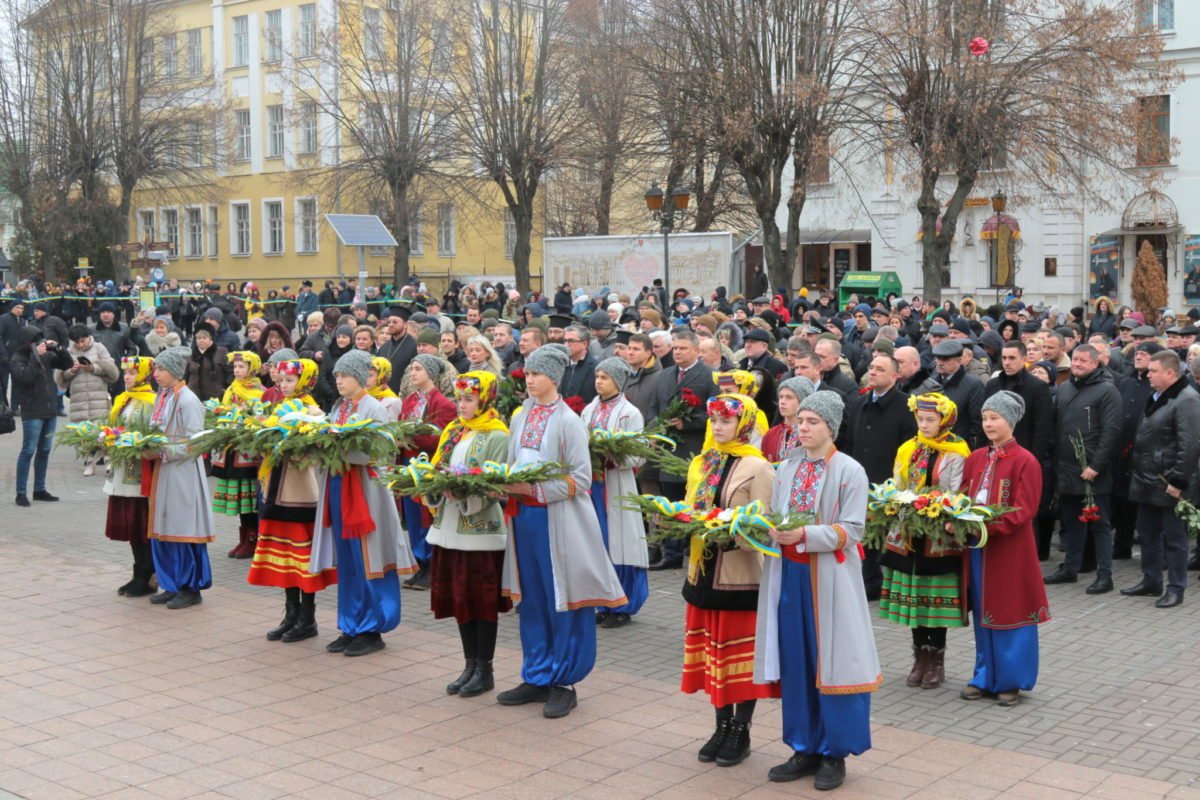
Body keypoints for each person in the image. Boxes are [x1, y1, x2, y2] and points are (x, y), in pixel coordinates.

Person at [757, 391, 880, 791]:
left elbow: (853, 529)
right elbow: (775, 513)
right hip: (790, 576)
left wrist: (805, 534)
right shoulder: (787, 466)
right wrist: (769, 528)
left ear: (832, 427)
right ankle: (803, 745)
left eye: (813, 422)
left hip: (829, 578)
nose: (803, 428)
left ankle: (834, 752)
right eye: (801, 421)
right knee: (797, 661)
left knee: (833, 662)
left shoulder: (850, 470)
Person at [498, 344, 626, 719]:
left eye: (536, 373)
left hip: (559, 521)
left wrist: (535, 489)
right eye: (527, 372)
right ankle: (537, 673)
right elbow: (512, 462)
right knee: (532, 599)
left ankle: (565, 681)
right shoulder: (521, 415)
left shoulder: (569, 420)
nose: (529, 379)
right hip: (524, 518)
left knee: (564, 597)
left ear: (553, 377)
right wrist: (503, 486)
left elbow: (581, 479)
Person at [678, 392, 778, 767]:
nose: (718, 427)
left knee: (739, 658)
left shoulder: (759, 467)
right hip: (703, 572)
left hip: (739, 577)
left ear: (744, 424)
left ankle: (741, 729)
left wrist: (731, 532)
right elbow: (690, 506)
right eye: (714, 420)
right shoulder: (704, 461)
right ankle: (720, 725)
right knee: (713, 657)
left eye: (726, 421)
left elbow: (764, 525)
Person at [310, 350, 417, 657]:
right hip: (339, 486)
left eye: (344, 375)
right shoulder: (339, 406)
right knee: (348, 559)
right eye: (337, 376)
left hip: (365, 492)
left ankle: (373, 627)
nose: (339, 381)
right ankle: (351, 624)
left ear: (358, 376)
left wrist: (339, 449)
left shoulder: (375, 408)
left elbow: (381, 451)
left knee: (368, 557)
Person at [425, 371, 513, 698]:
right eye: (459, 398)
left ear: (485, 399)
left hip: (479, 530)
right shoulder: (454, 429)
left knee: (481, 601)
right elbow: (438, 467)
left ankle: (484, 668)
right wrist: (436, 487)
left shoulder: (497, 435)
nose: (462, 405)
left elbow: (495, 485)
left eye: (469, 399)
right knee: (460, 599)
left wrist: (464, 496)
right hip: (449, 527)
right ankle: (469, 665)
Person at [959, 391, 1049, 706]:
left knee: (1012, 611)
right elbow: (962, 496)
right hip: (978, 547)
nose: (988, 424)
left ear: (1010, 421)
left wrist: (986, 526)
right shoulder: (976, 458)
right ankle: (984, 676)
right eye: (985, 418)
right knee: (985, 611)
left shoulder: (1026, 461)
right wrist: (955, 519)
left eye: (994, 418)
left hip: (1010, 549)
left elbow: (1023, 510)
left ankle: (1011, 680)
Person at [880, 393, 971, 689]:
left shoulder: (956, 451)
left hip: (938, 535)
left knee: (935, 599)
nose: (924, 424)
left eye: (930, 419)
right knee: (915, 597)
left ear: (945, 420)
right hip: (910, 532)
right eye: (920, 419)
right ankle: (919, 656)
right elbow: (898, 484)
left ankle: (936, 660)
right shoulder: (909, 448)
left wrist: (937, 507)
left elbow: (957, 492)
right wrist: (900, 505)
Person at [247, 359, 333, 642]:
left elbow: (316, 452)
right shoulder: (278, 408)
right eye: (281, 380)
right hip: (276, 490)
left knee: (302, 558)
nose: (283, 385)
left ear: (305, 381)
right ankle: (290, 614)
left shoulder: (312, 412)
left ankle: (307, 619)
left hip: (300, 495)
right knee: (285, 557)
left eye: (290, 380)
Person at [1121, 350, 1200, 608]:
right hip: (1148, 478)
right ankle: (1151, 580)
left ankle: (1176, 587)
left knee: (1174, 539)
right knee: (1148, 532)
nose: (1148, 375)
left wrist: (1178, 481)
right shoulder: (1158, 396)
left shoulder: (1187, 399)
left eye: (1153, 371)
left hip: (1168, 482)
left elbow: (1190, 445)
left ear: (1170, 373)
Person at [1045, 344, 1121, 593]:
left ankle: (1105, 575)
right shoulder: (1065, 388)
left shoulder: (1107, 391)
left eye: (1083, 361)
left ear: (1095, 363)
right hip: (1066, 469)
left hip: (1092, 471)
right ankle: (1070, 568)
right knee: (1072, 521)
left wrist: (1095, 465)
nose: (1076, 364)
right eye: (1075, 359)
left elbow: (1111, 432)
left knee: (1099, 524)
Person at [842, 352, 917, 599]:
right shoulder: (859, 403)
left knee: (882, 533)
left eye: (880, 369)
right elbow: (850, 442)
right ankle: (867, 579)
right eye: (871, 367)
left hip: (888, 481)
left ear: (895, 376)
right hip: (860, 479)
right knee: (862, 531)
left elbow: (909, 449)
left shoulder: (906, 406)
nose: (872, 372)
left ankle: (878, 582)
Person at [582, 357, 650, 629]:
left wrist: (612, 456)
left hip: (616, 484)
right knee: (596, 541)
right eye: (597, 376)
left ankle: (622, 605)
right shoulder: (588, 409)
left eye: (605, 377)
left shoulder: (630, 413)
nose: (599, 382)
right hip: (593, 485)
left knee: (619, 542)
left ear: (618, 381)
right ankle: (602, 601)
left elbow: (639, 453)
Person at [146, 347, 215, 610]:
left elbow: (196, 442)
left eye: (161, 369)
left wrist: (163, 451)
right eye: (155, 368)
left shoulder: (188, 400)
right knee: (165, 525)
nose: (156, 373)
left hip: (183, 472)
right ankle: (172, 583)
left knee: (184, 527)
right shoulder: (163, 396)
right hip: (164, 470)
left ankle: (191, 587)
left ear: (175, 371)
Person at [647, 330, 717, 569]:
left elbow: (714, 414)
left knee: (689, 503)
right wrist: (656, 427)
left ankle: (687, 549)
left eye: (683, 348)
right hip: (667, 449)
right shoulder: (666, 375)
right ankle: (671, 553)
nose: (677, 352)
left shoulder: (708, 376)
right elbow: (655, 407)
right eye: (675, 348)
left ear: (696, 350)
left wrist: (687, 423)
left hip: (692, 449)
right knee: (669, 502)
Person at [398, 354, 457, 591]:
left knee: (426, 515)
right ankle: (419, 562)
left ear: (431, 373)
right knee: (413, 517)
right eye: (412, 368)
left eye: (418, 369)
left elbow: (440, 438)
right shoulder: (410, 400)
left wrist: (410, 436)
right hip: (409, 464)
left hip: (427, 466)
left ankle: (432, 565)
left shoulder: (443, 404)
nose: (413, 373)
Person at [104, 357, 158, 597]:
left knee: (141, 524)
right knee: (131, 525)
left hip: (139, 472)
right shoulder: (123, 398)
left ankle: (148, 574)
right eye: (125, 372)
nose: (127, 377)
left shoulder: (151, 401)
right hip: (121, 468)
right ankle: (138, 573)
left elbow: (152, 436)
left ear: (145, 374)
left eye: (133, 373)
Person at [212, 352, 265, 560]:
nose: (237, 370)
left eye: (242, 367)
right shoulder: (232, 388)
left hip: (248, 451)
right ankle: (244, 538)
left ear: (252, 368)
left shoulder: (259, 391)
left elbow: (260, 415)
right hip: (233, 447)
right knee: (241, 498)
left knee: (249, 496)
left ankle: (253, 539)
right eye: (235, 367)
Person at [11, 327, 73, 506]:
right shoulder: (18, 359)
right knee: (28, 451)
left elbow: (66, 364)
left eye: (41, 340)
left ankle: (39, 489)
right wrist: (35, 356)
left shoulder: (45, 356)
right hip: (32, 411)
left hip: (50, 409)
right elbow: (27, 378)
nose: (39, 344)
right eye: (35, 341)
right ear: (27, 342)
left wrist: (58, 349)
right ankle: (21, 493)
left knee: (44, 450)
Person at [57, 325, 119, 476]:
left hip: (98, 398)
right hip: (79, 399)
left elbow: (113, 373)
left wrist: (93, 368)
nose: (80, 345)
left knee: (102, 432)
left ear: (88, 337)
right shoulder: (69, 352)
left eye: (82, 341)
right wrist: (72, 370)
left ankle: (108, 460)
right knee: (84, 435)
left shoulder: (99, 348)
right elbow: (60, 378)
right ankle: (90, 463)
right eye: (76, 342)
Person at [761, 377, 816, 463]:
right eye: (781, 397)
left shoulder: (814, 434)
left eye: (789, 397)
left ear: (803, 401)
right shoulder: (770, 435)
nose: (782, 402)